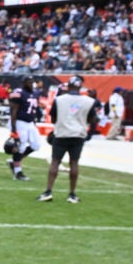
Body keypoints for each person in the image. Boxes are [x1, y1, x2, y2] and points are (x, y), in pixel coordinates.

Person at [37, 76, 98, 204]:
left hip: (62, 133)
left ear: (69, 86)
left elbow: (53, 118)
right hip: (78, 134)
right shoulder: (88, 101)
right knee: (74, 163)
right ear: (80, 87)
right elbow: (93, 120)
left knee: (55, 162)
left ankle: (48, 191)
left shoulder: (59, 100)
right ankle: (72, 193)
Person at [7, 78, 43, 180]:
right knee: (20, 146)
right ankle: (17, 173)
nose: (32, 84)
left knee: (36, 145)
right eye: (29, 82)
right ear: (24, 83)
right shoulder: (19, 93)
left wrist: (34, 123)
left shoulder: (35, 93)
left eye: (33, 82)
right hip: (19, 122)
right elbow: (13, 111)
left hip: (30, 122)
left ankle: (14, 162)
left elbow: (33, 111)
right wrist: (14, 130)